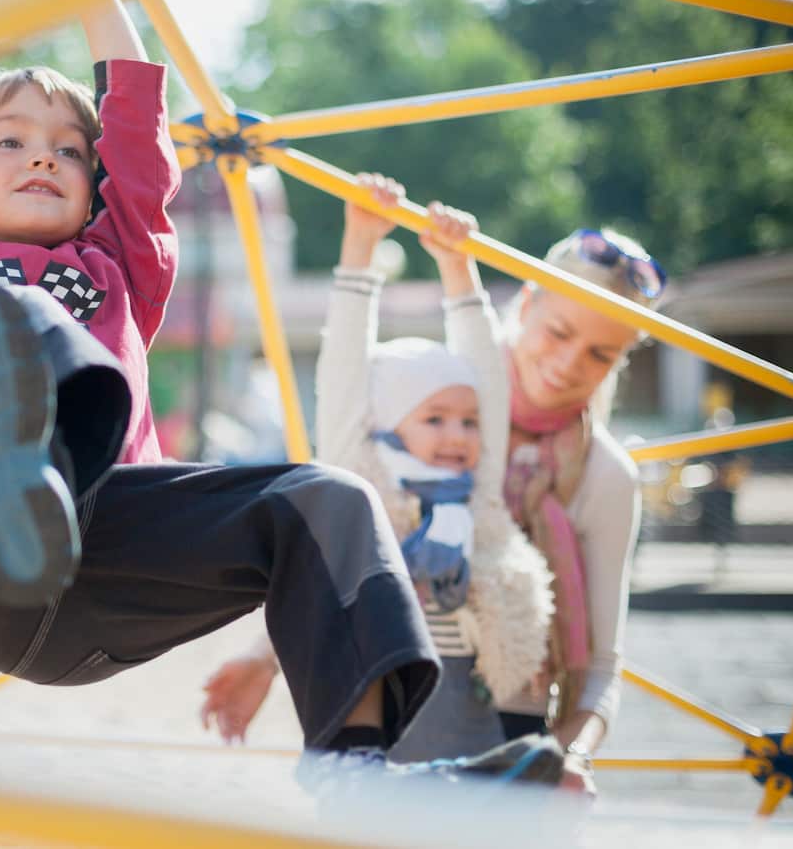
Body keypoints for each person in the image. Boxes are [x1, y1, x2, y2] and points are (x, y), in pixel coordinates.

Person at [0, 0, 540, 780]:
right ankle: (13, 488)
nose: (46, 158)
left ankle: (358, 770)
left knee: (328, 499)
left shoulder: (119, 269)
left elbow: (138, 135)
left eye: (70, 148)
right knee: (7, 314)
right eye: (12, 141)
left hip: (99, 576)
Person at [203, 201, 666, 795]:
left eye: (602, 353)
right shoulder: (433, 404)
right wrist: (264, 657)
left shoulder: (600, 474)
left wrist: (568, 757)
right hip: (399, 695)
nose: (569, 363)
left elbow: (601, 664)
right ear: (524, 307)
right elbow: (354, 533)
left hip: (506, 717)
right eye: (559, 332)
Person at [204, 175, 554, 763]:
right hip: (384, 744)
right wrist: (360, 245)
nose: (458, 436)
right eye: (435, 418)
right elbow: (342, 374)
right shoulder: (366, 494)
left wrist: (456, 269)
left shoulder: (476, 500)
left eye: (469, 423)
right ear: (386, 423)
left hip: (490, 734)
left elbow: (487, 383)